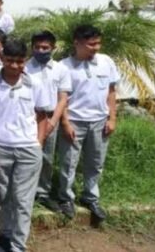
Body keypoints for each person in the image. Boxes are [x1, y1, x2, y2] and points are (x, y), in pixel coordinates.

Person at [0, 39, 51, 252]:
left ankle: (18, 245)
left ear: (25, 61)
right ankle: (5, 235)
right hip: (1, 148)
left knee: (22, 199)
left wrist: (38, 143)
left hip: (28, 149)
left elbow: (42, 117)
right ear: (1, 59)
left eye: (19, 61)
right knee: (3, 195)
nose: (14, 66)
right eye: (9, 60)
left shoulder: (35, 84)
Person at [56, 24, 120, 223]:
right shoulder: (64, 66)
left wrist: (112, 118)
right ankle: (66, 198)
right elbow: (62, 99)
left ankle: (91, 198)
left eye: (98, 43)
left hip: (99, 122)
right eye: (91, 44)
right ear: (77, 43)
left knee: (95, 163)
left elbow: (111, 92)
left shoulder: (106, 62)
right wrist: (65, 123)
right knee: (69, 163)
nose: (96, 48)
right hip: (74, 121)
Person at [26, 31, 71, 212]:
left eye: (45, 48)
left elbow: (63, 98)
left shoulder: (61, 69)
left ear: (52, 48)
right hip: (30, 118)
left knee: (47, 157)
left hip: (52, 117)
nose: (41, 50)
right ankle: (27, 192)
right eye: (37, 47)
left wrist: (53, 122)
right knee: (28, 155)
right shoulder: (25, 68)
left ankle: (43, 192)